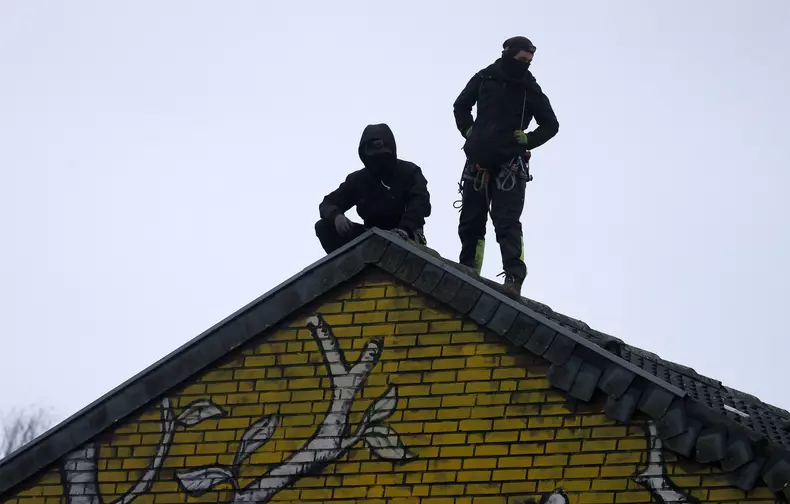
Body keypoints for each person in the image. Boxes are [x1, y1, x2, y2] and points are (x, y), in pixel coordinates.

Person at [453, 36, 559, 296]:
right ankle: (468, 272)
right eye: (522, 59)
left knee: (507, 222)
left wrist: (529, 140)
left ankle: (514, 277)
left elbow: (550, 124)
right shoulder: (484, 78)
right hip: (478, 162)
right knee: (471, 221)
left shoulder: (529, 88)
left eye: (529, 61)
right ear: (508, 54)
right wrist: (468, 130)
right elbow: (461, 105)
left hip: (510, 164)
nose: (526, 65)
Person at [315, 123, 431, 253]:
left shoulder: (409, 172)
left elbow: (420, 204)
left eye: (383, 156)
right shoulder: (357, 180)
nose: (380, 161)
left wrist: (404, 230)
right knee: (323, 227)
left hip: (406, 236)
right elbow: (328, 203)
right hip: (371, 236)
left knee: (402, 238)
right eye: (374, 157)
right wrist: (336, 216)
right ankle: (347, 262)